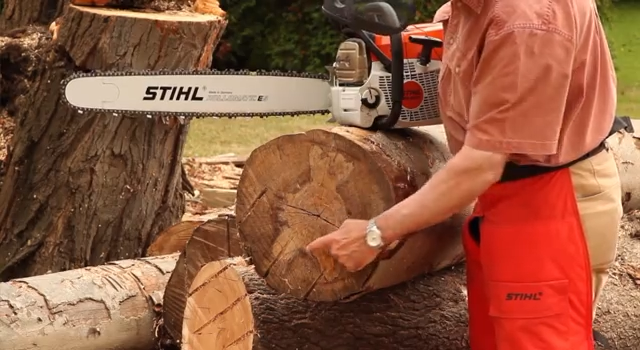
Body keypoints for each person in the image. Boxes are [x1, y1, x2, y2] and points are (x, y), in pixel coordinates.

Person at [306, 0, 624, 349]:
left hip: (552, 203)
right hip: (507, 197)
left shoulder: (524, 21)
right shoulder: (470, 9)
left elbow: (482, 163)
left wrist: (374, 234)